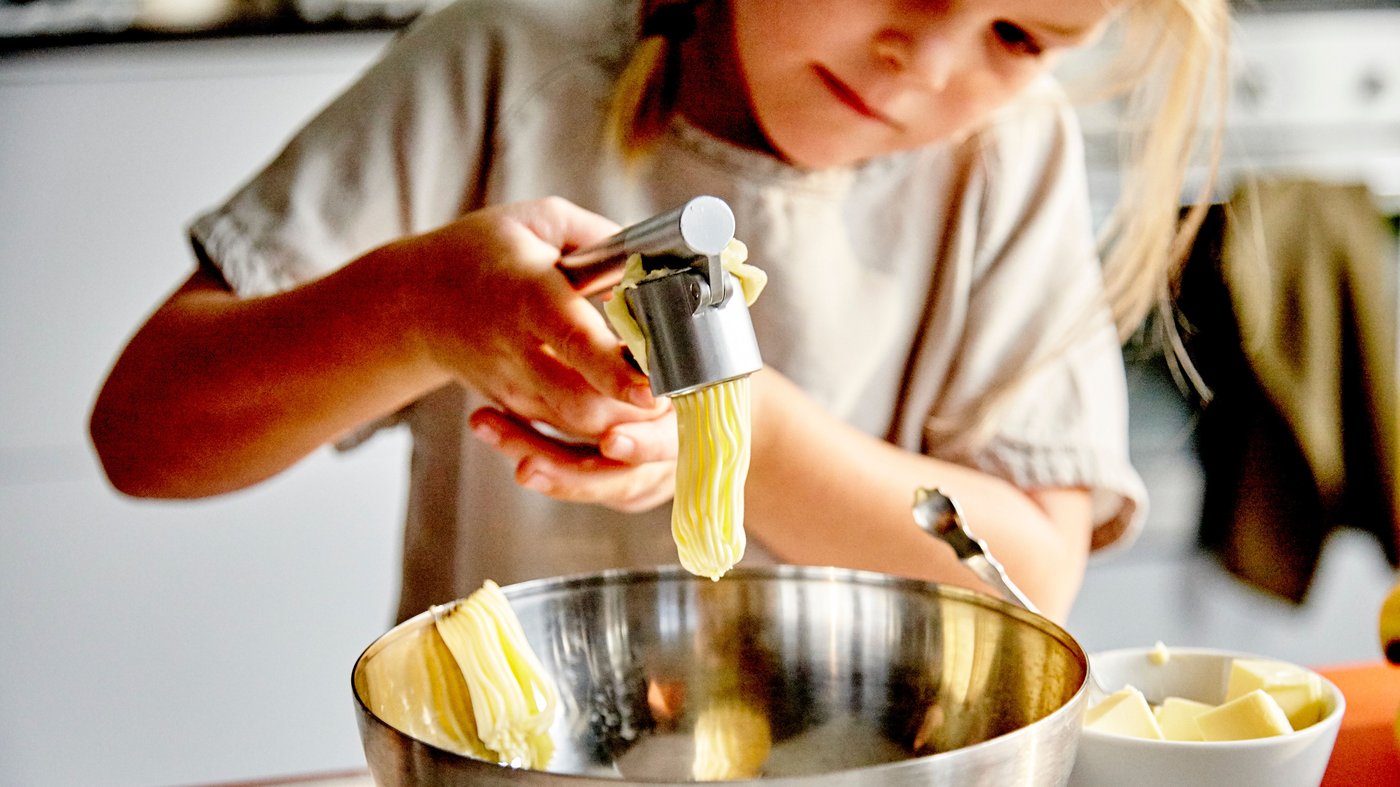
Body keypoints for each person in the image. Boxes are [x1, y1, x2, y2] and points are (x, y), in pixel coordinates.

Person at [89, 0, 1228, 624]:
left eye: (1018, 37)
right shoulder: (501, 59)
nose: (923, 61)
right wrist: (414, 310)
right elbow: (145, 434)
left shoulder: (1007, 155)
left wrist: (729, 430)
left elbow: (1029, 567)